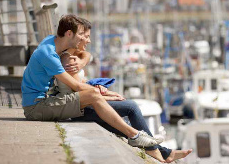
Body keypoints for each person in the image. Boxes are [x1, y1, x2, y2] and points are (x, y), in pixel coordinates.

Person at [21, 14, 162, 150]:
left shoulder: (51, 41)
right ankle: (135, 135)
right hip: (37, 108)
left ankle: (140, 138)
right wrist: (107, 95)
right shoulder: (49, 55)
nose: (84, 38)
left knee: (97, 96)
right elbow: (76, 86)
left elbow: (84, 53)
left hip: (44, 101)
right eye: (81, 34)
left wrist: (84, 60)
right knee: (94, 95)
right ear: (69, 33)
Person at [56, 23, 192, 163]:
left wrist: (97, 86)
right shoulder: (69, 59)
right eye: (86, 37)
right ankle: (155, 150)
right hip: (79, 108)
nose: (89, 40)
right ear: (75, 36)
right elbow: (77, 88)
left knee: (123, 123)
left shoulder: (73, 55)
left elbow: (83, 73)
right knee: (131, 107)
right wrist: (108, 95)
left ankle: (163, 152)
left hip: (82, 104)